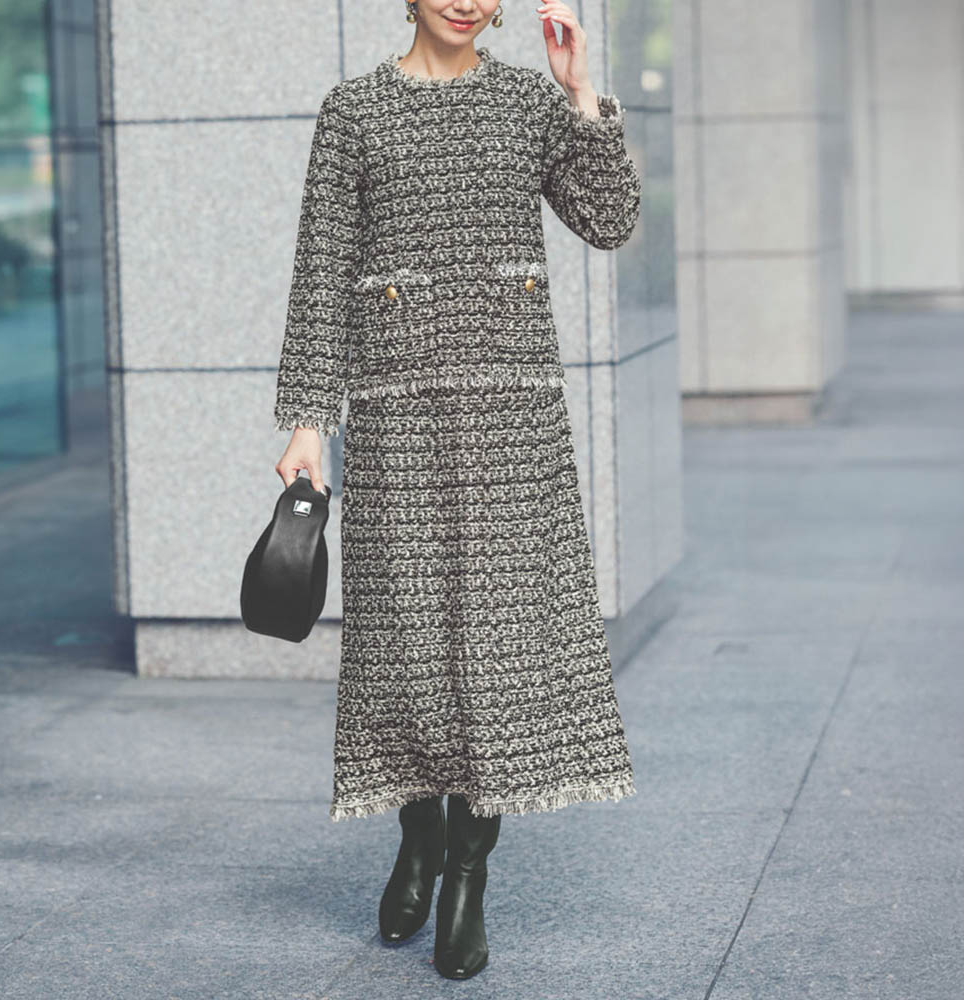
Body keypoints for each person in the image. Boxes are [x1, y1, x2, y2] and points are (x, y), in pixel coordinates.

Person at [273, 0, 641, 981]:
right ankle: (419, 838)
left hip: (512, 424)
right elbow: (321, 272)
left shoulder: (527, 102)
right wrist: (308, 420)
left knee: (496, 658)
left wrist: (581, 95)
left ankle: (469, 872)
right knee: (403, 651)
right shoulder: (353, 112)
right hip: (398, 419)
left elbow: (610, 221)